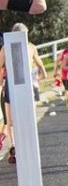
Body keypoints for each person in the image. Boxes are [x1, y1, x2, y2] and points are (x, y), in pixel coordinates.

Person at [0, 23, 47, 162]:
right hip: (27, 85)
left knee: (10, 120)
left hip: (10, 85)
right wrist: (36, 79)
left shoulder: (5, 47)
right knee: (29, 117)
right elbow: (43, 70)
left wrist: (1, 85)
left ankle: (13, 145)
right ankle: (29, 145)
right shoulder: (31, 47)